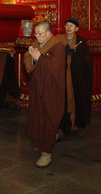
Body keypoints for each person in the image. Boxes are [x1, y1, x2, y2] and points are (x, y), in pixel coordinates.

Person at [23, 21, 65, 168]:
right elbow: (27, 58)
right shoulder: (36, 42)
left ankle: (46, 153)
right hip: (37, 87)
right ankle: (40, 142)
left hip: (51, 89)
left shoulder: (57, 46)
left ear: (48, 33)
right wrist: (34, 58)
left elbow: (55, 66)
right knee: (37, 116)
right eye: (36, 33)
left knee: (49, 117)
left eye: (40, 34)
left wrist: (39, 58)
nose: (38, 36)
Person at [56, 17, 93, 139]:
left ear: (76, 29)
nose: (68, 28)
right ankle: (62, 127)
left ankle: (77, 126)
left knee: (77, 99)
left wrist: (72, 54)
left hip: (77, 78)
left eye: (71, 26)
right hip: (63, 76)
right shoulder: (59, 39)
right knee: (63, 100)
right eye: (67, 25)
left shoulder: (81, 43)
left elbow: (86, 62)